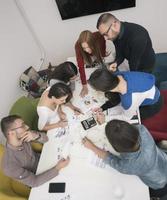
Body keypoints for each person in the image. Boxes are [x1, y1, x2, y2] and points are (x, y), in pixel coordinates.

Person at [83, 119, 167, 199]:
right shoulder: (142, 129)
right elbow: (125, 133)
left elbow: (109, 158)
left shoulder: (128, 166)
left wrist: (91, 146)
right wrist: (107, 125)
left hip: (159, 183)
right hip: (163, 160)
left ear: (117, 148)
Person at [0, 115, 70, 187]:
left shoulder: (24, 136)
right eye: (22, 126)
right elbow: (34, 182)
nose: (27, 127)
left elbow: (46, 139)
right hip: (40, 178)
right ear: (11, 133)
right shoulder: (9, 166)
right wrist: (57, 168)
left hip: (45, 162)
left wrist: (36, 136)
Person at [88, 69, 161, 120]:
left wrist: (105, 118)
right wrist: (103, 108)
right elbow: (116, 97)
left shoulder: (129, 100)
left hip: (152, 105)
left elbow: (126, 117)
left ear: (105, 90)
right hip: (150, 89)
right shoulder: (117, 76)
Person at [75, 30, 107, 97]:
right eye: (84, 48)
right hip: (89, 56)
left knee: (103, 65)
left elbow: (103, 45)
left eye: (88, 47)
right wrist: (84, 86)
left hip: (97, 50)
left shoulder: (99, 36)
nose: (87, 50)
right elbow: (81, 67)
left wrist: (103, 55)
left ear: (93, 43)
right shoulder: (77, 45)